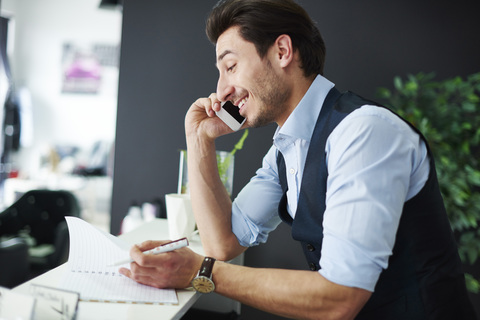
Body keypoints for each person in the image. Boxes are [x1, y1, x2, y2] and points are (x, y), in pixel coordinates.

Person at [120, 0, 477, 319]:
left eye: (230, 66)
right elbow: (223, 242)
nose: (221, 90)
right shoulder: (285, 150)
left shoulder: (364, 132)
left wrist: (202, 272)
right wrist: (198, 138)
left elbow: (341, 296)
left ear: (282, 51)